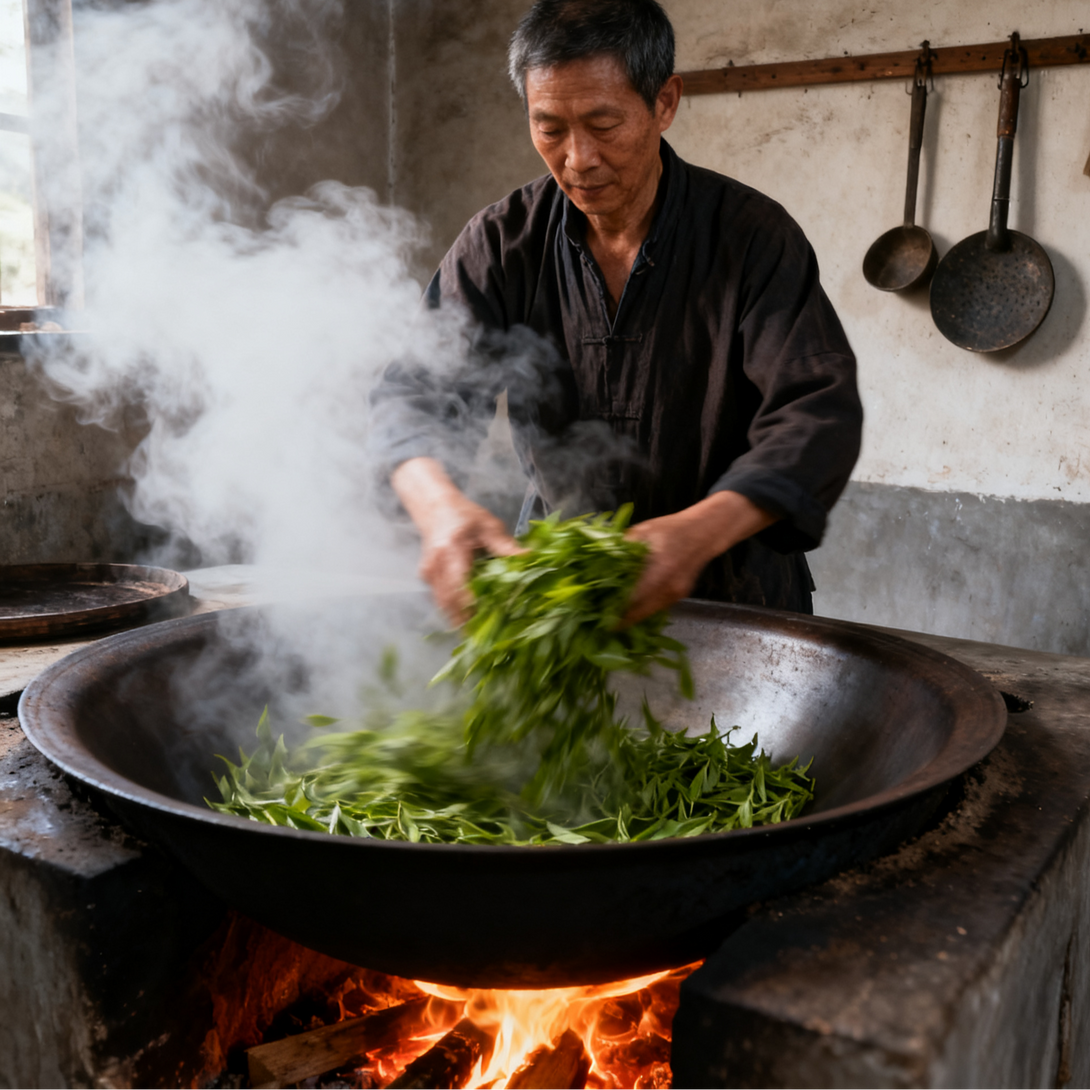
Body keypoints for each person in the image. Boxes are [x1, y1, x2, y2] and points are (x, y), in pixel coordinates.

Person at [372, 0, 862, 626]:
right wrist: (439, 507)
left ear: (664, 102)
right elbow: (414, 395)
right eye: (549, 127)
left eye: (603, 124)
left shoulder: (750, 237)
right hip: (560, 590)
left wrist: (693, 534)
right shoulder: (501, 243)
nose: (578, 158)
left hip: (736, 594)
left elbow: (816, 411)